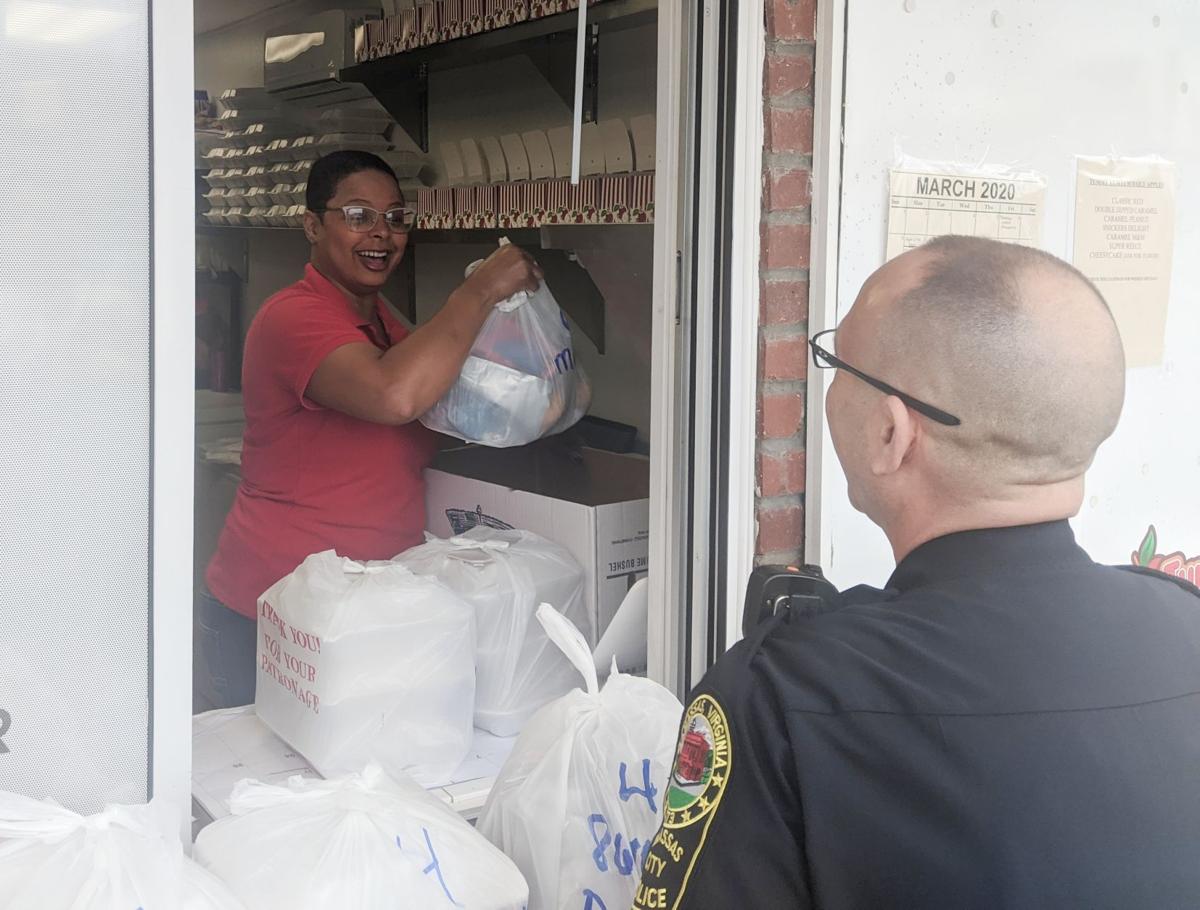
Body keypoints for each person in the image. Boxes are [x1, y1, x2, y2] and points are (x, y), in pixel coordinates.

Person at [634, 236, 1200, 908]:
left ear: (890, 434)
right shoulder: (1186, 625)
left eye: (835, 362)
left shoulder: (781, 696)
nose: (831, 386)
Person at [198, 150, 542, 710]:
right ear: (313, 224)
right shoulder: (292, 316)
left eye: (395, 217)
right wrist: (478, 292)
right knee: (270, 787)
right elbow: (395, 396)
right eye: (358, 215)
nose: (381, 233)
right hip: (277, 611)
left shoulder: (385, 323)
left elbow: (441, 409)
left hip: (362, 610)